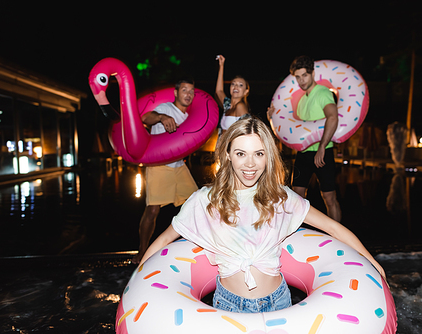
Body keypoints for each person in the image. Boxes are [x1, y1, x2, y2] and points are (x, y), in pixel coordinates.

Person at [138, 116, 386, 313]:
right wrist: (137, 280)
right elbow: (163, 240)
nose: (250, 164)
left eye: (259, 153)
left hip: (278, 301)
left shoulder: (281, 196)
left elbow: (333, 228)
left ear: (268, 156)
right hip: (228, 304)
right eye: (240, 153)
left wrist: (373, 263)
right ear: (227, 155)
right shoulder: (205, 200)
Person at [131, 78, 199, 264]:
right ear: (176, 93)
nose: (188, 94)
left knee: (197, 203)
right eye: (184, 90)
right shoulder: (167, 108)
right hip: (159, 166)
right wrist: (161, 117)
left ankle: (191, 246)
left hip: (179, 166)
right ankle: (142, 252)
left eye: (191, 91)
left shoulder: (189, 117)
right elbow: (145, 118)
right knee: (152, 210)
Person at [268, 55, 341, 222]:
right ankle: (298, 233)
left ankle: (338, 237)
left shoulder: (322, 93)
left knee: (329, 197)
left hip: (323, 151)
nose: (301, 80)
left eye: (304, 75)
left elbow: (333, 117)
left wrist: (322, 146)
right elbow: (293, 128)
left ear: (312, 73)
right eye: (298, 77)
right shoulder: (301, 99)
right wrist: (273, 118)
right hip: (303, 153)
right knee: (297, 196)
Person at [215, 55, 250, 134]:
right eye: (233, 84)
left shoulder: (240, 106)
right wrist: (221, 66)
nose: (236, 87)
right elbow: (219, 91)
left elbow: (247, 129)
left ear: (246, 91)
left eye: (240, 85)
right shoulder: (228, 106)